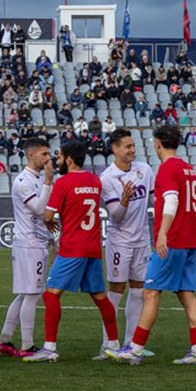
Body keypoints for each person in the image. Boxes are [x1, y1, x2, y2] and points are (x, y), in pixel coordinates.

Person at [113, 124, 196, 364]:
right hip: (189, 240)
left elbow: (171, 200)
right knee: (187, 294)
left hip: (173, 240)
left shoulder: (166, 169)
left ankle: (135, 347)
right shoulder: (189, 169)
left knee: (150, 292)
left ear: (157, 143)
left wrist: (163, 233)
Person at [27, 141, 121, 362]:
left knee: (51, 294)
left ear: (69, 159)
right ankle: (114, 345)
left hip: (72, 247)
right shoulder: (94, 181)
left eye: (59, 157)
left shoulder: (64, 182)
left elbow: (48, 216)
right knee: (100, 297)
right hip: (93, 247)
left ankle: (49, 348)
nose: (57, 160)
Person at [99, 128, 156, 359]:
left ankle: (132, 343)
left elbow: (154, 200)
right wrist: (123, 200)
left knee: (139, 290)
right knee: (116, 291)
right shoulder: (108, 178)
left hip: (142, 240)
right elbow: (116, 216)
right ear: (115, 149)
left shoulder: (145, 169)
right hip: (120, 242)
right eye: (128, 146)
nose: (133, 150)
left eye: (133, 146)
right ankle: (108, 345)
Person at [0, 136, 54, 357]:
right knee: (32, 294)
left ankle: (5, 340)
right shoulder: (23, 182)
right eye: (44, 154)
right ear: (31, 155)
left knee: (24, 295)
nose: (48, 158)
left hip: (36, 242)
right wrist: (48, 182)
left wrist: (52, 238)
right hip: (29, 244)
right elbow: (40, 209)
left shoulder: (37, 179)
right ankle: (27, 346)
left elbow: (46, 216)